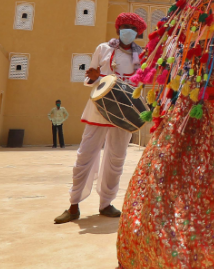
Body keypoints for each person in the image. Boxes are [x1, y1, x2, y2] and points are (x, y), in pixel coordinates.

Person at [54, 12, 146, 224]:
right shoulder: (103, 49)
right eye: (125, 26)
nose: (128, 31)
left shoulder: (140, 56)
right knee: (85, 156)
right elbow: (90, 77)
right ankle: (74, 205)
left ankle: (106, 203)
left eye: (133, 28)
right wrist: (94, 77)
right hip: (99, 109)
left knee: (116, 159)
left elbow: (139, 83)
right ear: (118, 28)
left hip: (124, 114)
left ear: (138, 33)